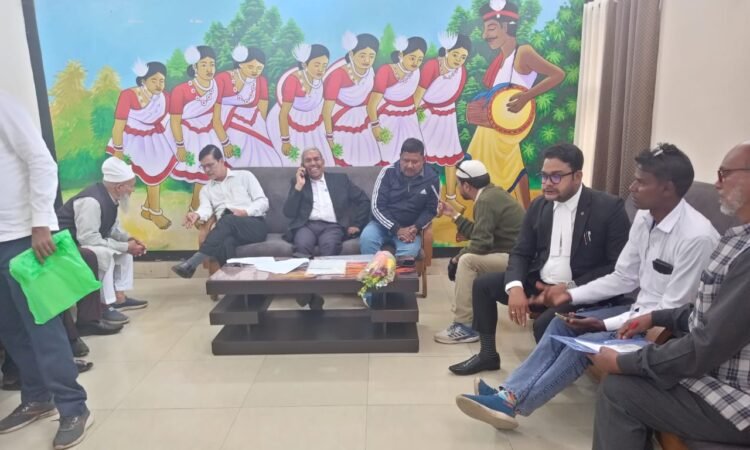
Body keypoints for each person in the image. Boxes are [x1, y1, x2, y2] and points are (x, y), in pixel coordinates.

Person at [456, 143, 720, 431]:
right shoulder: (645, 219)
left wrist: (603, 322)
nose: (631, 187)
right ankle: (508, 394)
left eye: (640, 182)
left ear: (667, 189)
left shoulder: (696, 238)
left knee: (584, 341)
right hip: (637, 310)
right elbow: (623, 277)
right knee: (562, 324)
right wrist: (569, 294)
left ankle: (512, 403)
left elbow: (671, 312)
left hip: (666, 331)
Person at [590, 142, 750, 449]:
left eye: (725, 173)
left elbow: (706, 345)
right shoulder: (738, 238)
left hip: (738, 398)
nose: (717, 183)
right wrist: (655, 316)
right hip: (716, 374)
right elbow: (709, 311)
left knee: (620, 390)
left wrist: (627, 362)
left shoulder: (727, 246)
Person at [448, 144, 630, 375]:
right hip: (539, 283)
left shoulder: (608, 208)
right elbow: (521, 251)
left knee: (544, 325)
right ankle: (488, 354)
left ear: (577, 176)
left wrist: (570, 287)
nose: (547, 183)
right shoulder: (539, 206)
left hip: (579, 291)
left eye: (556, 176)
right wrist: (515, 287)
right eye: (544, 176)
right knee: (484, 286)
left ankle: (551, 374)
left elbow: (616, 266)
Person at [0, 91, 92, 449]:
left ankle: (74, 407)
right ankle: (37, 397)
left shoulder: (4, 105)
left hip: (24, 237)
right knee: (10, 328)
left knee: (43, 326)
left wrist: (41, 222)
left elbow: (41, 161)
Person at [468, 1, 564, 208]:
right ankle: (521, 212)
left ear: (505, 26)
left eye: (491, 28)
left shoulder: (524, 52)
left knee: (509, 166)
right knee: (511, 164)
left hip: (512, 121)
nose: (485, 35)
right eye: (485, 29)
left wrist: (527, 97)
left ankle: (516, 212)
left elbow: (558, 74)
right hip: (496, 122)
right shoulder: (501, 59)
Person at [433, 160, 524, 344]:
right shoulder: (492, 194)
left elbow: (481, 243)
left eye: (458, 184)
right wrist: (453, 214)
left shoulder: (485, 201)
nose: (457, 188)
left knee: (467, 261)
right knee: (467, 259)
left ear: (467, 185)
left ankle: (465, 326)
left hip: (518, 260)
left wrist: (456, 259)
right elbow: (480, 234)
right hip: (514, 255)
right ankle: (471, 319)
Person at [57, 157, 149, 325]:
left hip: (83, 244)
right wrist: (125, 246)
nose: (133, 190)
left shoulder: (111, 198)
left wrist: (129, 240)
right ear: (119, 187)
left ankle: (119, 298)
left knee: (124, 254)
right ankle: (104, 305)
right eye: (131, 186)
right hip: (66, 248)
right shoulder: (91, 201)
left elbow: (112, 229)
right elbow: (88, 238)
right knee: (103, 254)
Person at [171, 145, 269, 278]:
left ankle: (194, 261)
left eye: (210, 165)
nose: (207, 170)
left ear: (221, 161)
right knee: (225, 241)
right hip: (227, 229)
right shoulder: (206, 190)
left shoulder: (244, 176)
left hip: (253, 225)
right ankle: (234, 282)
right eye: (203, 167)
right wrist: (197, 214)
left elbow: (263, 202)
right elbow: (205, 209)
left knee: (227, 219)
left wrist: (245, 212)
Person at [106, 60, 176, 229]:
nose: (159, 85)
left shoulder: (165, 98)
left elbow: (171, 120)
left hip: (154, 139)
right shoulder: (128, 95)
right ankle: (153, 212)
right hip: (131, 140)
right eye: (154, 80)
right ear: (143, 80)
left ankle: (149, 210)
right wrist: (118, 151)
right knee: (143, 174)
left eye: (162, 81)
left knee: (156, 173)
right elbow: (118, 125)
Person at [414, 32, 471, 212]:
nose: (459, 60)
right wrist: (414, 117)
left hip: (447, 116)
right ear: (447, 51)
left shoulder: (461, 72)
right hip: (426, 115)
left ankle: (450, 198)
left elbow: (452, 96)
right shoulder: (432, 66)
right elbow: (418, 95)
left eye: (463, 57)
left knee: (450, 159)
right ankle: (425, 198)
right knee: (423, 157)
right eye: (456, 54)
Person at [283, 148, 370, 258]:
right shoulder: (298, 183)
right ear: (303, 166)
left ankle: (325, 270)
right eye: (308, 160)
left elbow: (364, 200)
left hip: (333, 227)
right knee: (302, 245)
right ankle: (304, 270)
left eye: (316, 159)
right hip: (306, 226)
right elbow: (288, 213)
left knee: (330, 246)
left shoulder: (340, 180)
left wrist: (357, 224)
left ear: (323, 162)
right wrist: (299, 186)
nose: (313, 163)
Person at [360, 137, 439, 258]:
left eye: (415, 162)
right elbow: (377, 207)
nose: (409, 165)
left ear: (423, 160)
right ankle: (374, 270)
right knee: (367, 238)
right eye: (405, 160)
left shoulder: (431, 178)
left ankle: (395, 271)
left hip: (410, 229)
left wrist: (416, 227)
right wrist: (396, 229)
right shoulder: (388, 172)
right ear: (400, 157)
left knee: (409, 252)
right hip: (381, 226)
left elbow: (431, 210)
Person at [169, 45, 221, 211]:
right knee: (201, 174)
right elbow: (174, 121)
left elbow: (217, 120)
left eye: (212, 64)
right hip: (188, 136)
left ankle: (197, 210)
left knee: (208, 175)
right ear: (195, 67)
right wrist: (180, 146)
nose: (209, 69)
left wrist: (226, 143)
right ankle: (196, 211)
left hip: (209, 136)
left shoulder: (216, 89)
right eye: (204, 64)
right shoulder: (180, 90)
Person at [212, 45, 281, 167]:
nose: (255, 71)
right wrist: (225, 142)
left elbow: (262, 114)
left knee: (267, 154)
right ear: (240, 64)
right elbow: (215, 117)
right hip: (224, 124)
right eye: (250, 66)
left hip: (254, 123)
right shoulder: (222, 79)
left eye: (259, 68)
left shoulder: (261, 81)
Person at [266, 43, 332, 167]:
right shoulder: (293, 80)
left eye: (324, 65)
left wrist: (330, 137)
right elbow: (283, 114)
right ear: (305, 64)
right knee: (294, 162)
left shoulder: (320, 81)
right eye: (317, 65)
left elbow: (325, 111)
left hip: (313, 123)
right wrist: (285, 141)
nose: (321, 69)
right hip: (290, 123)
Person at [323, 32, 381, 166]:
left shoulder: (370, 72)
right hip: (341, 122)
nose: (367, 60)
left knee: (370, 158)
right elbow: (326, 111)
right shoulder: (338, 75)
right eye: (362, 55)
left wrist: (375, 125)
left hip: (364, 121)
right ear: (351, 54)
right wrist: (330, 139)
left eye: (371, 56)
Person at [367, 36, 426, 164]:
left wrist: (415, 112)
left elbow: (415, 97)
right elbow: (372, 104)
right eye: (412, 58)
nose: (416, 62)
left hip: (410, 118)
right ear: (401, 55)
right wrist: (376, 126)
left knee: (414, 156)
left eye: (420, 59)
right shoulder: (386, 71)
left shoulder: (416, 72)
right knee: (389, 156)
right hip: (388, 118)